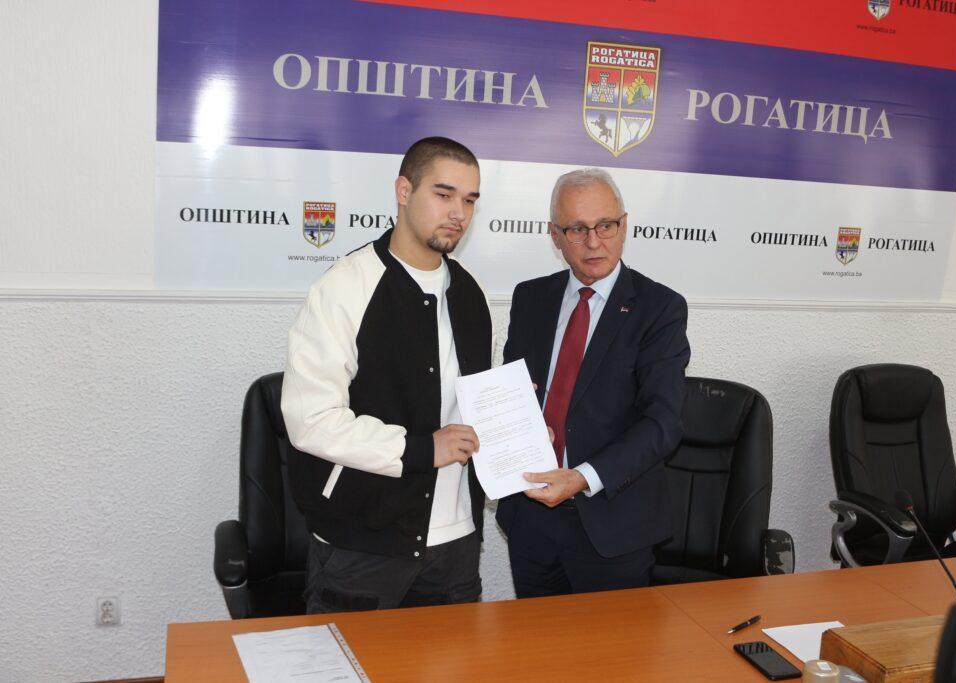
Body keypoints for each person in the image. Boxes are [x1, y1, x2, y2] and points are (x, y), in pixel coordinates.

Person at [281, 137, 492, 613]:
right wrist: (420, 449)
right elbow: (310, 420)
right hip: (363, 543)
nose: (458, 213)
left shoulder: (469, 293)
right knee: (347, 657)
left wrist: (510, 419)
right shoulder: (344, 287)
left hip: (456, 541)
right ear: (403, 190)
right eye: (444, 194)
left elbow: (464, 404)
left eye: (469, 200)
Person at [497, 167, 690, 597]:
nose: (593, 241)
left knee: (611, 644)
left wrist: (582, 477)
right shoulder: (530, 298)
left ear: (624, 225)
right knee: (532, 638)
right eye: (577, 229)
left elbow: (662, 423)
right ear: (554, 235)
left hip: (613, 526)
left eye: (605, 225)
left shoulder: (660, 308)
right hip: (531, 520)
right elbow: (516, 393)